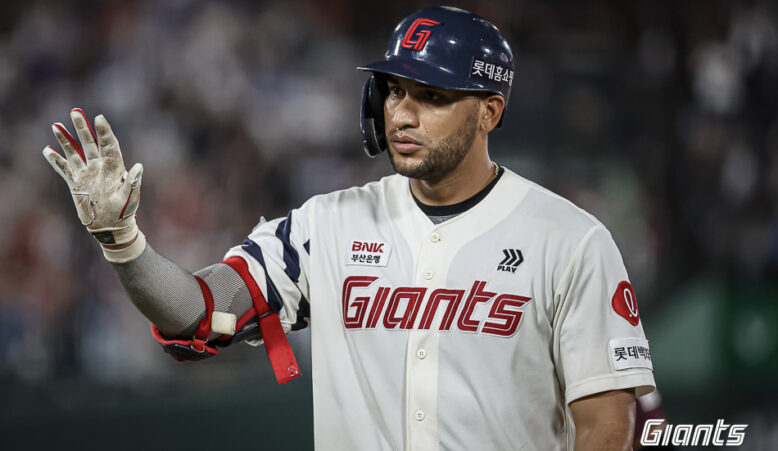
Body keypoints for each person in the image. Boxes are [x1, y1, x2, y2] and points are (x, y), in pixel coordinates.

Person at [43, 6, 656, 451]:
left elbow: (607, 421)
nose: (403, 113)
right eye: (394, 91)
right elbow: (196, 311)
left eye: (433, 96)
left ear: (489, 111)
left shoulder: (570, 239)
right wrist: (122, 240)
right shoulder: (325, 226)